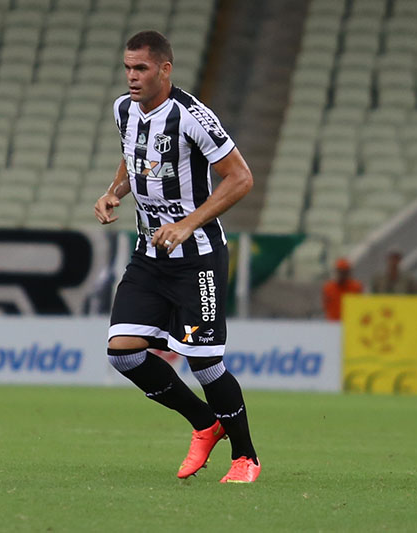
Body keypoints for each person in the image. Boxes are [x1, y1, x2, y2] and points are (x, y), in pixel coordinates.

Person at [93, 31, 259, 483]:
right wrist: (113, 192)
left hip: (198, 257)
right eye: (128, 67)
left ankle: (245, 457)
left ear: (164, 69)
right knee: (122, 353)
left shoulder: (192, 116)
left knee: (204, 362)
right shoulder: (123, 110)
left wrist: (188, 223)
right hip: (150, 254)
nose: (132, 76)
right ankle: (206, 424)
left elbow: (240, 178)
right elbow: (133, 156)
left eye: (141, 68)